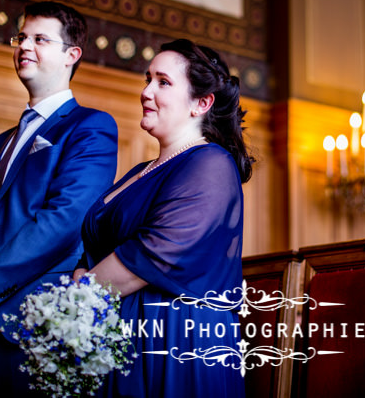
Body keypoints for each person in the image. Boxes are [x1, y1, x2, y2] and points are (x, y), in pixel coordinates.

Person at [0, 0, 119, 395]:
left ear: (72, 55)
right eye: (21, 37)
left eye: (40, 39)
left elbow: (64, 220)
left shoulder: (90, 127)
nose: (24, 46)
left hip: (31, 326)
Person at [75, 38, 253, 397]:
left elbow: (153, 252)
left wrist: (73, 299)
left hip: (175, 339)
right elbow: (95, 243)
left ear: (201, 103)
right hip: (120, 331)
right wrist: (81, 274)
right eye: (147, 79)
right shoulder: (142, 170)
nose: (146, 91)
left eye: (163, 82)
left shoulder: (211, 163)